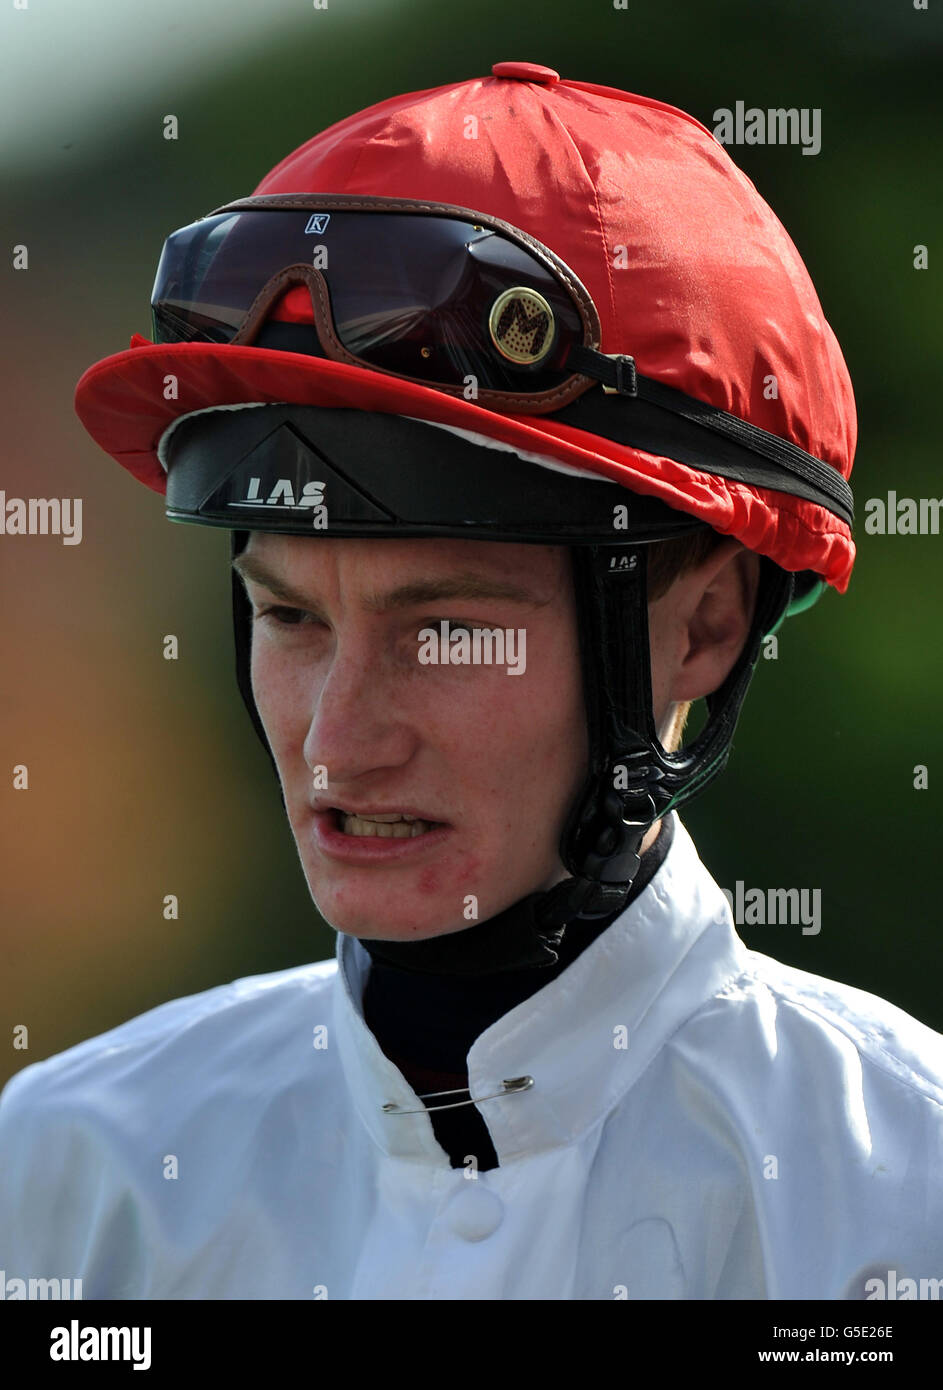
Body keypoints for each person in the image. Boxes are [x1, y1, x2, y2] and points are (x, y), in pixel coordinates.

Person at [1, 60, 941, 1302]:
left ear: (705, 624)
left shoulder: (904, 1190)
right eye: (289, 617)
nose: (338, 738)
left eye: (442, 629)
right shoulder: (65, 1164)